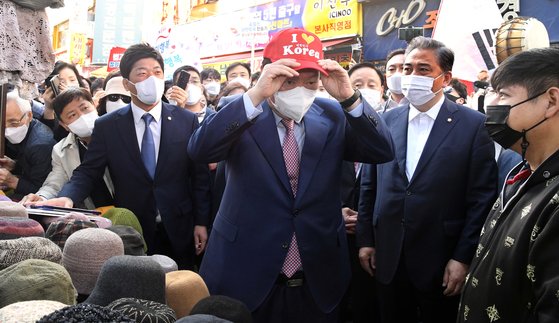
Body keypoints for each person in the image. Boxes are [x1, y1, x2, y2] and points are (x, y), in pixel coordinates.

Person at [188, 28, 394, 322]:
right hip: (245, 268)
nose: (300, 89)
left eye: (310, 81)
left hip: (318, 273)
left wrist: (349, 98)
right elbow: (200, 151)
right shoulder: (240, 111)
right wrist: (257, 93)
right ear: (268, 73)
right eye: (288, 80)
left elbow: (382, 150)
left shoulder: (331, 114)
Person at [356, 36, 497, 323]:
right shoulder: (386, 121)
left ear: (445, 78)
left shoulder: (473, 126)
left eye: (423, 69)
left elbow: (481, 199)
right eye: (407, 69)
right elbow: (369, 185)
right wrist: (366, 239)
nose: (411, 76)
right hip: (388, 254)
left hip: (441, 258)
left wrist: (463, 257)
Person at [35, 43, 211, 270]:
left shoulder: (185, 120)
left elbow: (199, 177)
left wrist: (201, 222)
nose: (152, 79)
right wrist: (68, 198)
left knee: (181, 289)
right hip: (132, 230)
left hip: (180, 226)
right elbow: (89, 171)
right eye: (142, 73)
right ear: (128, 84)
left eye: (157, 72)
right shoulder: (108, 126)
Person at [458, 47, 559, 322]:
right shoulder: (522, 171)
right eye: (491, 93)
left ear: (551, 101)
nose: (491, 104)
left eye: (503, 94)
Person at [20, 88, 114, 209]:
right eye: (72, 115)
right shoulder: (61, 150)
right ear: (64, 125)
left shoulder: (116, 132)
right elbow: (55, 183)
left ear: (94, 106)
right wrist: (42, 197)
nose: (82, 116)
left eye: (85, 108)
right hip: (97, 214)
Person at [0, 91, 56, 200]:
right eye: (2, 124)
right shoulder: (27, 132)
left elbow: (43, 191)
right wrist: (14, 165)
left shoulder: (40, 145)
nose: (7, 130)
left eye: (13, 123)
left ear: (29, 116)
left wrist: (11, 181)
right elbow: (30, 166)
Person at [382, 48, 406, 113]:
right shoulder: (378, 110)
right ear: (386, 75)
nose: (397, 73)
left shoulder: (423, 106)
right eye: (392, 69)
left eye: (403, 68)